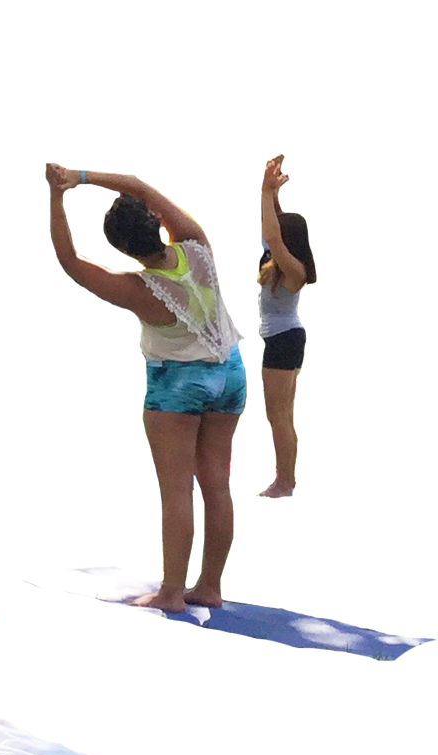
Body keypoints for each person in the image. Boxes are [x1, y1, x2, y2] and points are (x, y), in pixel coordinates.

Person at [44, 161, 246, 612]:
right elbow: (138, 185)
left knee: (176, 491)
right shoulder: (197, 246)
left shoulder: (140, 288)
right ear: (156, 221)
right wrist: (79, 177)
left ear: (121, 247)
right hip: (230, 372)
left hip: (178, 384)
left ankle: (171, 592)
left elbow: (70, 261)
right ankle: (210, 586)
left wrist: (56, 196)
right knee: (217, 485)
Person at [254, 153, 317, 499]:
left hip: (284, 339)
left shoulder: (295, 271)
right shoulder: (277, 260)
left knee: (278, 415)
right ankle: (285, 480)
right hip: (284, 338)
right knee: (280, 414)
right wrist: (272, 193)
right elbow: (274, 229)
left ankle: (284, 482)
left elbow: (274, 236)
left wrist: (266, 190)